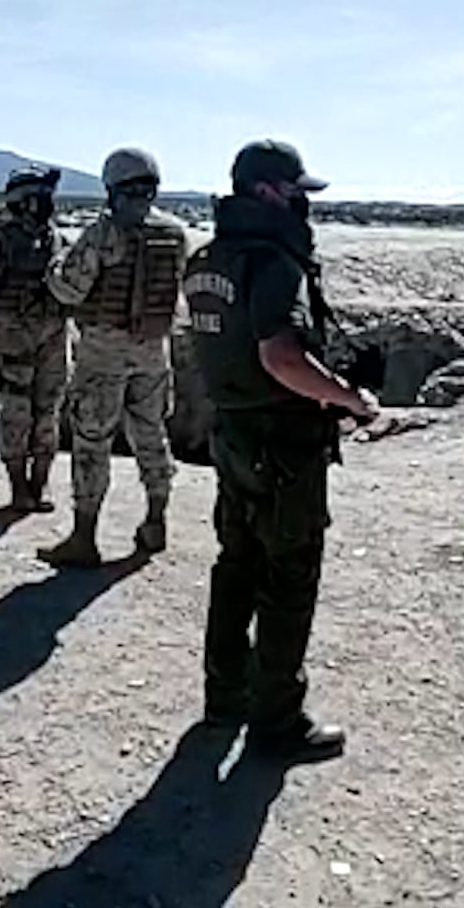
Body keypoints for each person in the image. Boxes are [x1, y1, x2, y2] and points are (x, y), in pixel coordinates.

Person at [182, 139, 377, 763]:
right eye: (297, 192)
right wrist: (348, 399)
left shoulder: (209, 258)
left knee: (235, 564)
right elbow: (280, 356)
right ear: (268, 191)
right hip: (283, 445)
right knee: (288, 578)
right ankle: (277, 722)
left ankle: (225, 697)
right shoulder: (273, 263)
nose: (304, 206)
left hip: (234, 434)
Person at [37, 147, 189, 567]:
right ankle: (156, 521)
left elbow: (69, 289)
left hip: (103, 352)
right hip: (154, 351)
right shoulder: (175, 231)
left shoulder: (104, 233)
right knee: (152, 435)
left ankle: (84, 539)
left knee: (91, 442)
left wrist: (53, 266)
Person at [0, 166, 70, 513]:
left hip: (53, 340)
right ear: (22, 202)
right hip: (14, 342)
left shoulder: (57, 239)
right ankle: (18, 492)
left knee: (48, 413)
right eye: (40, 198)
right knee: (15, 415)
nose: (47, 205)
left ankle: (38, 488)